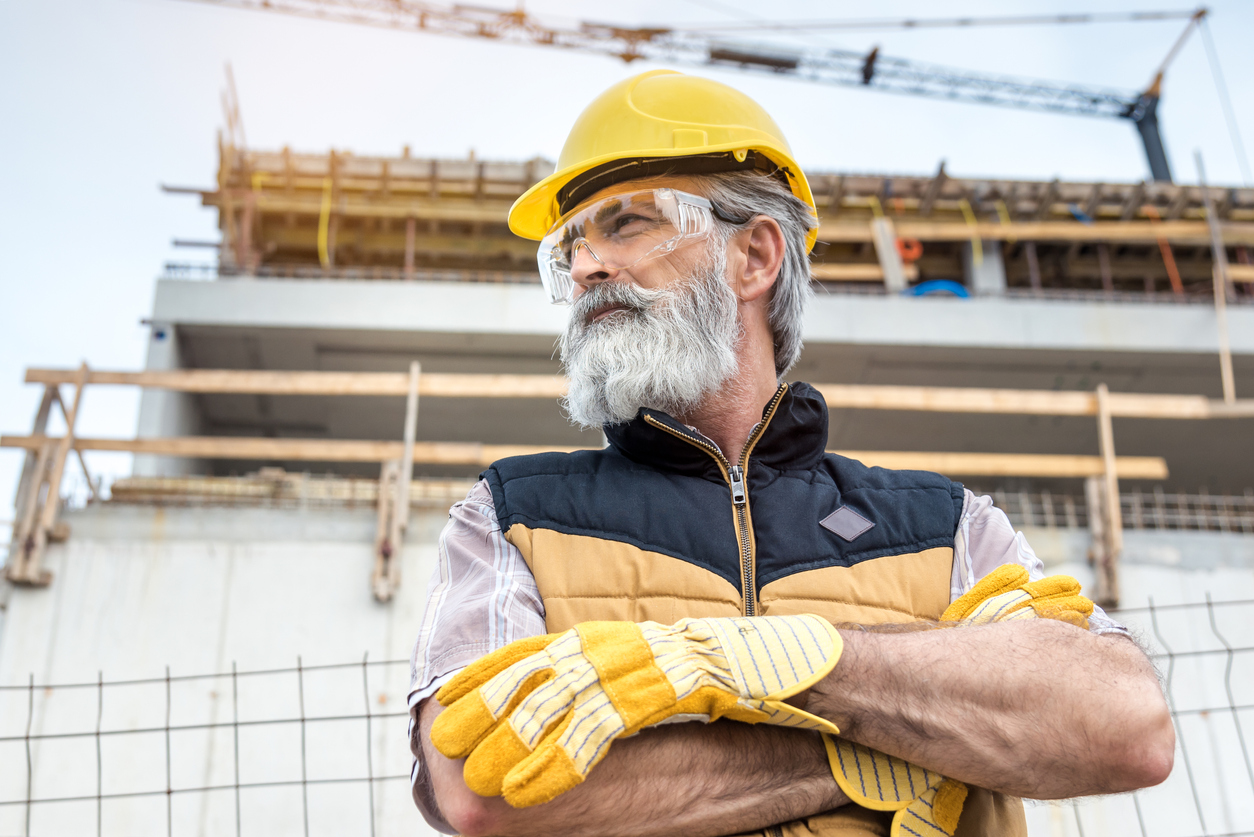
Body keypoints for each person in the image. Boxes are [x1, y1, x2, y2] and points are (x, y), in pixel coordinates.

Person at [407, 70, 1174, 837]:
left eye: (627, 224)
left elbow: (1127, 723)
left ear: (755, 255)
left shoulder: (945, 525)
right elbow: (484, 786)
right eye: (571, 245)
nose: (584, 267)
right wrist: (893, 746)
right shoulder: (511, 514)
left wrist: (785, 658)